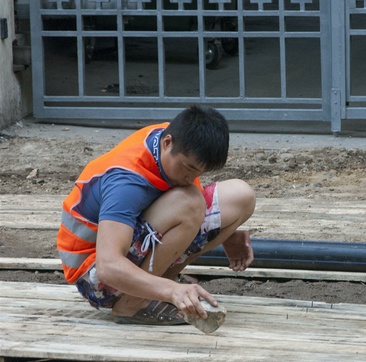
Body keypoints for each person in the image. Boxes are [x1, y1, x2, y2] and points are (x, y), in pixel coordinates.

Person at [57, 105, 255, 332]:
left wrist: (226, 235)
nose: (191, 177)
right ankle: (132, 305)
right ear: (167, 143)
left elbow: (173, 197)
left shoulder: (172, 140)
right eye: (188, 167)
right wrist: (171, 290)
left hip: (128, 244)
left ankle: (158, 285)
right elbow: (108, 267)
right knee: (188, 202)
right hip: (95, 279)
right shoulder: (126, 182)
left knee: (242, 196)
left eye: (199, 172)